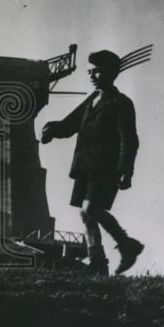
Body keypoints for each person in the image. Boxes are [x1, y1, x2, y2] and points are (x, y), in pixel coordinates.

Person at [41, 49, 143, 275]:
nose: (91, 75)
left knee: (91, 208)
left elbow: (130, 140)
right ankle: (98, 263)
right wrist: (53, 129)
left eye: (96, 71)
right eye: (90, 71)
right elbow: (71, 124)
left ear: (111, 73)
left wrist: (127, 170)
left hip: (106, 167)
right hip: (84, 165)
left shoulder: (121, 103)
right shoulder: (92, 100)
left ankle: (127, 246)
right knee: (85, 213)